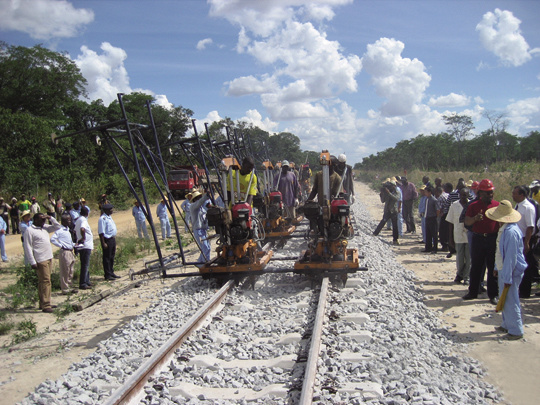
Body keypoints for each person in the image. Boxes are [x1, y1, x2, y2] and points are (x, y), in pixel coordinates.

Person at [486, 200, 527, 340]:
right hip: (504, 269)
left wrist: (508, 277)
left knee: (511, 299)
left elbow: (511, 257)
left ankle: (516, 330)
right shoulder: (505, 229)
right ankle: (506, 324)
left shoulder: (511, 233)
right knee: (505, 298)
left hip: (511, 270)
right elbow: (501, 252)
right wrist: (498, 268)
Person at [463, 179, 500, 304]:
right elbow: (467, 221)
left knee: (492, 267)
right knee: (476, 266)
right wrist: (475, 219)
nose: (490, 195)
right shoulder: (473, 206)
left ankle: (493, 294)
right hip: (478, 238)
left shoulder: (496, 205)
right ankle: (473, 291)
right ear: (480, 193)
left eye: (491, 192)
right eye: (487, 193)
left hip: (492, 239)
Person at [23, 213, 61, 313]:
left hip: (48, 257)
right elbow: (27, 247)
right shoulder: (29, 230)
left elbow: (57, 226)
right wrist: (32, 261)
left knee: (43, 282)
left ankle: (43, 302)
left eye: (44, 219)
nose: (44, 221)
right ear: (35, 220)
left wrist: (50, 218)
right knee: (46, 281)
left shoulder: (44, 227)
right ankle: (46, 304)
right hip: (40, 259)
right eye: (41, 219)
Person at [512, 185, 537, 298]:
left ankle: (525, 292)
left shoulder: (528, 207)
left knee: (525, 265)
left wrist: (527, 242)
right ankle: (519, 288)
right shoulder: (518, 205)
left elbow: (530, 227)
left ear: (522, 195)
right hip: (517, 238)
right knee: (518, 264)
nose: (513, 196)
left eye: (515, 194)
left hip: (524, 239)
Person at [446, 187, 471, 284]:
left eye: (465, 195)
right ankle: (459, 274)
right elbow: (450, 222)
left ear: (468, 195)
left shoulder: (471, 205)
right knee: (460, 257)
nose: (463, 196)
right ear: (459, 195)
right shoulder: (454, 205)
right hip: (458, 235)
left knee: (469, 258)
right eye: (462, 194)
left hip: (468, 235)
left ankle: (467, 276)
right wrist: (450, 238)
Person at [50, 214, 77, 295]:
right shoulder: (60, 230)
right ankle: (65, 288)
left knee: (71, 270)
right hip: (65, 251)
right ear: (64, 221)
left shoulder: (67, 230)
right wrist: (61, 245)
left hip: (70, 251)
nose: (70, 221)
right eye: (68, 220)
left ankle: (69, 285)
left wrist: (74, 244)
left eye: (70, 220)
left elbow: (68, 241)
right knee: (65, 270)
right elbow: (52, 239)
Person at [98, 204, 120, 281]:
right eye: (110, 209)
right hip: (107, 239)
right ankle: (107, 274)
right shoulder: (102, 219)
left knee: (111, 257)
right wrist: (103, 243)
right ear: (106, 210)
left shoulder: (109, 217)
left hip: (112, 239)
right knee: (107, 258)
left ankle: (111, 272)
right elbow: (101, 233)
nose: (112, 210)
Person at [189, 190, 212, 263]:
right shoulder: (193, 206)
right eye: (198, 197)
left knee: (207, 247)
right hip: (198, 230)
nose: (200, 198)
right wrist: (206, 196)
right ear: (195, 199)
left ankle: (201, 262)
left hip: (203, 230)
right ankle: (205, 262)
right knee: (205, 247)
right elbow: (200, 202)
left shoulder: (201, 208)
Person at [75, 206, 94, 289]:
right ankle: (83, 283)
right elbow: (82, 229)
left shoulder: (78, 220)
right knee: (85, 265)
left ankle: (87, 281)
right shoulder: (83, 220)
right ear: (87, 213)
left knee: (85, 264)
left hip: (83, 245)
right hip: (85, 245)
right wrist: (83, 238)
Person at [422, 186, 440, 253]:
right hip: (427, 217)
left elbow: (438, 210)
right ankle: (428, 248)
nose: (425, 193)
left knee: (434, 234)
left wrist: (435, 217)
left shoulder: (434, 200)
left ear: (429, 192)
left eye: (426, 192)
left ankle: (435, 248)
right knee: (428, 234)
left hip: (433, 218)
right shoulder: (427, 199)